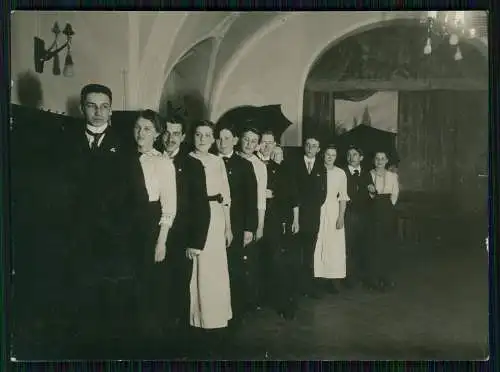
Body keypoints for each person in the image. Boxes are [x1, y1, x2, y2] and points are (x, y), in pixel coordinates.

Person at [63, 83, 133, 354]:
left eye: (104, 106)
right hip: (75, 235)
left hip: (112, 238)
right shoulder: (66, 141)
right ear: (82, 108)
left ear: (111, 110)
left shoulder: (125, 146)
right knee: (78, 292)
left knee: (110, 297)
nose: (98, 112)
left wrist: (121, 232)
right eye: (92, 106)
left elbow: (133, 195)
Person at [126, 110, 177, 338]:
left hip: (149, 226)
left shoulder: (163, 163)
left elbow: (169, 206)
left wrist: (161, 242)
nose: (141, 133)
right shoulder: (123, 157)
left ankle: (147, 340)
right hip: (125, 226)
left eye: (147, 129)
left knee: (147, 285)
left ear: (157, 134)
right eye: (137, 127)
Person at [186, 120, 233, 355]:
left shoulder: (217, 162)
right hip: (195, 218)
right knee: (198, 269)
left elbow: (225, 196)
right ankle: (198, 319)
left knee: (215, 270)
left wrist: (228, 227)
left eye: (207, 135)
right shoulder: (186, 161)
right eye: (198, 134)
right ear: (192, 137)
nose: (202, 139)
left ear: (214, 139)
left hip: (215, 218)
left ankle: (216, 320)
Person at [162, 116, 210, 337]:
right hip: (154, 237)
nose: (170, 138)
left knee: (178, 288)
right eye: (167, 133)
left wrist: (195, 243)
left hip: (181, 239)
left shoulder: (192, 165)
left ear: (182, 137)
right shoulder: (151, 159)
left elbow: (201, 207)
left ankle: (178, 342)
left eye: (175, 134)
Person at [215, 124, 258, 326]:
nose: (222, 142)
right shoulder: (210, 162)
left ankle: (236, 312)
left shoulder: (244, 165)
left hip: (238, 224)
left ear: (235, 140)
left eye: (227, 138)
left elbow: (252, 199)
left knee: (235, 268)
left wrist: (250, 228)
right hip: (214, 223)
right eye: (219, 138)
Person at [257, 131, 300, 319]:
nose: (266, 146)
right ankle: (257, 300)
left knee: (278, 260)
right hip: (253, 220)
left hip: (274, 220)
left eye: (270, 142)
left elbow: (290, 195)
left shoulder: (280, 168)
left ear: (275, 145)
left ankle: (284, 302)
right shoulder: (251, 164)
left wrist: (273, 194)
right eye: (263, 142)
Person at [292, 134, 327, 298]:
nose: (310, 148)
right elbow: (292, 189)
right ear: (304, 147)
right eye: (308, 145)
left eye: (314, 146)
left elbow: (323, 193)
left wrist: (311, 208)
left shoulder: (321, 168)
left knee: (309, 251)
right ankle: (296, 287)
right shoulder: (295, 164)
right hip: (295, 215)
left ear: (318, 149)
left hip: (313, 215)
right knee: (296, 251)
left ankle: (307, 286)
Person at [237, 126, 268, 309]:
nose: (249, 144)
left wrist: (260, 225)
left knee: (248, 259)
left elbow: (260, 198)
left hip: (250, 216)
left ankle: (248, 300)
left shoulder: (259, 166)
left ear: (257, 146)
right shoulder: (229, 159)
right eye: (246, 139)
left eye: (253, 141)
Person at [313, 145, 349, 293]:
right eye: (327, 154)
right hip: (318, 209)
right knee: (319, 243)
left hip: (334, 211)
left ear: (336, 157)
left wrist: (341, 216)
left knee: (334, 245)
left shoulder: (341, 173)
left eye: (333, 155)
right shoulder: (316, 170)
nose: (330, 157)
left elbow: (343, 197)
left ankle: (334, 278)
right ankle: (319, 278)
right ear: (323, 155)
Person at [368, 151, 400, 291]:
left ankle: (386, 277)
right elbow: (367, 194)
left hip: (387, 211)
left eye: (382, 159)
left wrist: (387, 207)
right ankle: (374, 278)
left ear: (386, 161)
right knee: (374, 244)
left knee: (387, 244)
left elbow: (395, 194)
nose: (380, 161)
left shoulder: (392, 176)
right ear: (374, 160)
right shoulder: (368, 174)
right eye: (377, 158)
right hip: (373, 211)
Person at [343, 145, 373, 290]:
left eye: (354, 154)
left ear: (361, 158)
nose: (351, 157)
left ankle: (361, 276)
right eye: (349, 154)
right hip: (348, 215)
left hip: (364, 216)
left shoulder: (367, 174)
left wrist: (372, 192)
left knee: (362, 246)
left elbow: (371, 195)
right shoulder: (342, 173)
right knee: (348, 247)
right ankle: (348, 278)